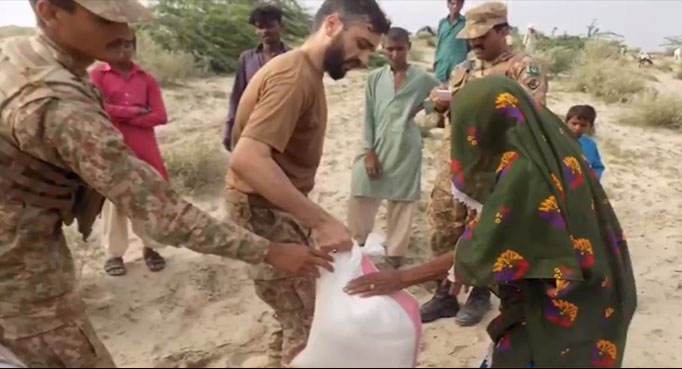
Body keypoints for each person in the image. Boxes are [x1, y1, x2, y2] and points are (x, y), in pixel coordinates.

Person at [0, 0, 332, 367]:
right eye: (107, 19)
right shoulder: (59, 106)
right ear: (50, 11)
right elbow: (164, 215)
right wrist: (270, 251)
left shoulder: (18, 55)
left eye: (128, 22)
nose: (125, 33)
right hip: (22, 288)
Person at [345, 76, 637, 368]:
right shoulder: (552, 144)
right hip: (596, 286)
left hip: (565, 304)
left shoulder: (524, 170)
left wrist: (400, 279)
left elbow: (484, 247)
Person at [225, 0, 390, 365]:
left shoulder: (306, 72)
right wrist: (321, 221)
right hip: (263, 213)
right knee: (307, 325)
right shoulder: (293, 76)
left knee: (291, 314)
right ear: (332, 25)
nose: (363, 60)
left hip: (278, 209)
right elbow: (248, 158)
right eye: (361, 44)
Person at [421, 1, 549, 327]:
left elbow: (528, 115)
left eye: (482, 36)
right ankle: (444, 295)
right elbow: (443, 117)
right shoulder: (463, 68)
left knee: (483, 235)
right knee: (443, 228)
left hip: (495, 170)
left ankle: (479, 294)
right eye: (471, 37)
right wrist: (438, 105)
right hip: (453, 167)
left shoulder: (524, 69)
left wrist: (465, 101)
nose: (475, 43)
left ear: (503, 31)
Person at [348, 27, 439, 269]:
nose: (395, 53)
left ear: (408, 47)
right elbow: (369, 116)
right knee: (361, 188)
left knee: (402, 200)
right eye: (390, 48)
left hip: (405, 147)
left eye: (400, 49)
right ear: (383, 48)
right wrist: (368, 151)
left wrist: (427, 107)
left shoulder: (422, 79)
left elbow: (443, 98)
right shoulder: (375, 78)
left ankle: (395, 255)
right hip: (376, 144)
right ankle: (355, 245)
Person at [89, 34, 170, 276]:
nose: (122, 50)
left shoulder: (147, 79)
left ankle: (151, 248)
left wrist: (118, 114)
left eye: (127, 44)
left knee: (148, 198)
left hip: (144, 148)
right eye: (115, 44)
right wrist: (133, 111)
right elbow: (96, 108)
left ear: (134, 47)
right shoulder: (96, 76)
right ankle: (114, 255)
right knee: (114, 202)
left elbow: (160, 116)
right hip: (110, 147)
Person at [223, 4, 291, 152]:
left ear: (282, 26)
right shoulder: (247, 58)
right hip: (252, 127)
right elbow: (237, 95)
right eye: (260, 27)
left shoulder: (293, 58)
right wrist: (229, 128)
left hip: (285, 129)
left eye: (270, 26)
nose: (265, 31)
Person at [433, 0, 470, 84]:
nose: (455, 7)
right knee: (439, 92)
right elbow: (439, 43)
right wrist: (436, 61)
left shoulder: (466, 23)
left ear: (462, 5)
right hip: (441, 66)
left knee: (455, 92)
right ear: (448, 4)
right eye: (453, 4)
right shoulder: (442, 23)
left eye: (458, 4)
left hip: (457, 66)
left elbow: (469, 46)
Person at [566, 105, 605, 180]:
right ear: (566, 122)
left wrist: (593, 179)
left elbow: (597, 167)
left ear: (590, 127)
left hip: (578, 184)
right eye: (574, 123)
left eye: (583, 125)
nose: (577, 128)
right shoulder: (556, 139)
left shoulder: (590, 145)